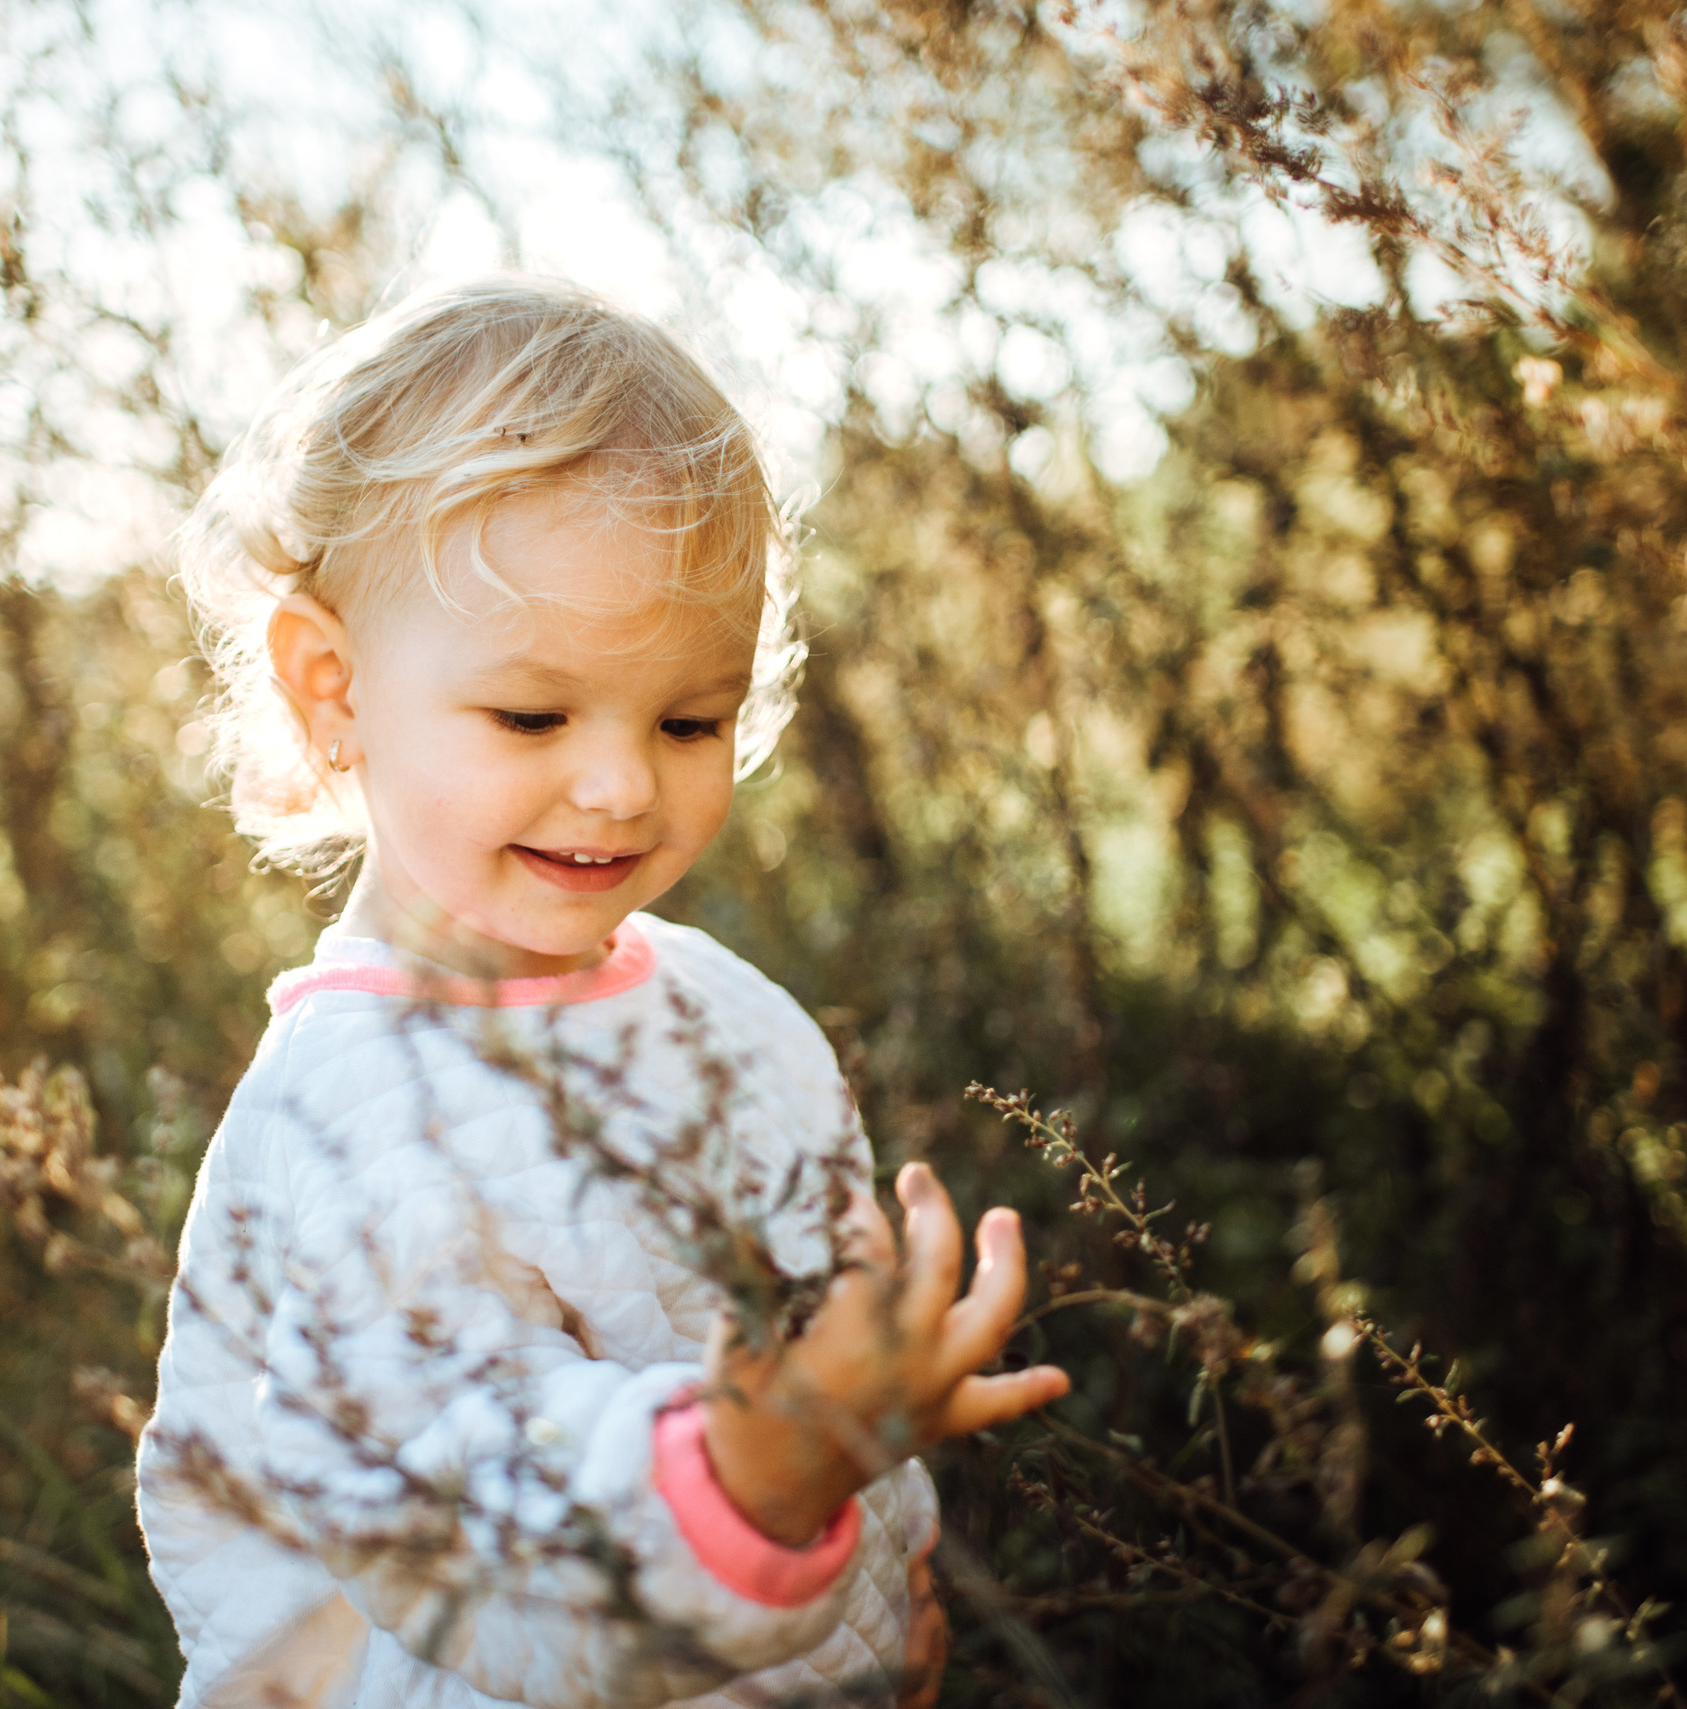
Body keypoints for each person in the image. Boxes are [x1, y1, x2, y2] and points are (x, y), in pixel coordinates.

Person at [138, 276, 1068, 1709]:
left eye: (692, 717)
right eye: (532, 714)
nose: (624, 782)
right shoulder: (358, 1110)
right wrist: (757, 1478)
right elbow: (447, 1502)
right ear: (335, 686)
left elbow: (822, 1343)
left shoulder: (722, 1007)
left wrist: (884, 1595)